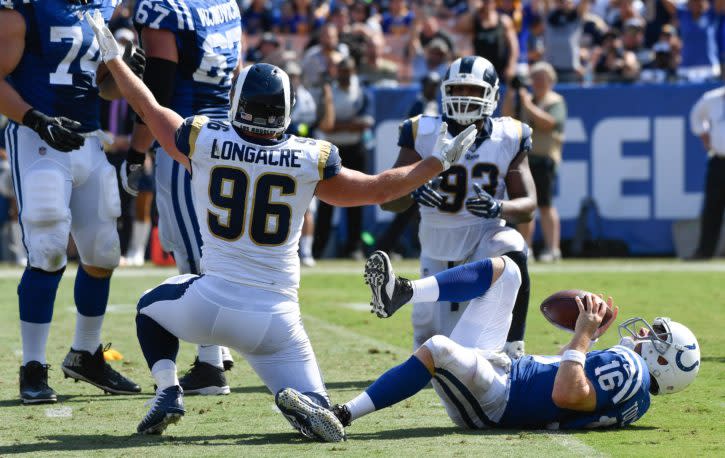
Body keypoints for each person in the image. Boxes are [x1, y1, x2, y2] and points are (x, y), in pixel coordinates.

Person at [85, 10, 478, 435]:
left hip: (210, 303)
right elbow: (381, 188)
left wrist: (115, 61)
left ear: (237, 102)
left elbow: (148, 105)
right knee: (323, 413)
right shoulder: (311, 159)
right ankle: (309, 406)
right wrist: (437, 161)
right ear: (287, 109)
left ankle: (168, 388)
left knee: (149, 308)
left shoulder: (204, 139)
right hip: (278, 321)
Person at [277, 250, 701, 441]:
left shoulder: (632, 369)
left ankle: (339, 417)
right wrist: (585, 343)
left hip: (501, 400)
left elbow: (567, 393)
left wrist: (584, 336)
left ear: (663, 361)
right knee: (508, 272)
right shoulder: (633, 388)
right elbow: (578, 392)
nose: (646, 333)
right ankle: (402, 291)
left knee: (438, 347)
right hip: (506, 374)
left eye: (657, 336)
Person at [0, 0, 145, 404]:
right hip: (37, 140)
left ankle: (86, 353)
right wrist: (34, 119)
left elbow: (104, 87)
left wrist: (127, 66)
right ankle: (32, 365)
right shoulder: (23, 7)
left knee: (103, 252)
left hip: (89, 139)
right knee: (47, 247)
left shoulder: (97, 7)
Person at [381, 56, 536, 359]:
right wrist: (412, 190)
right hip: (436, 248)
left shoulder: (510, 136)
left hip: (483, 240)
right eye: (457, 88)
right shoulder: (420, 131)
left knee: (512, 243)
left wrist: (498, 207)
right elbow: (388, 202)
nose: (464, 97)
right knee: (436, 348)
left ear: (492, 94)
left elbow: (528, 205)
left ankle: (514, 347)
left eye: (473, 90)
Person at [127, 0, 242, 396]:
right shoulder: (226, 5)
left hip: (184, 140)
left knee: (193, 253)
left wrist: (135, 149)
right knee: (206, 245)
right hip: (226, 138)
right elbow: (235, 78)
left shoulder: (164, 9)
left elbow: (157, 94)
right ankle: (216, 347)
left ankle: (210, 364)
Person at [503, 62, 566, 262]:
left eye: (541, 78)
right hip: (525, 160)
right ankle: (525, 247)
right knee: (525, 206)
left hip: (545, 158)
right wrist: (511, 95)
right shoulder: (525, 98)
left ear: (550, 81)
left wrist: (528, 105)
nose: (536, 82)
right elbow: (505, 119)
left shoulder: (555, 101)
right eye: (534, 78)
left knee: (546, 205)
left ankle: (552, 248)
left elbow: (549, 123)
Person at [313, 57, 374, 259]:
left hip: (355, 148)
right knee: (325, 201)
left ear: (353, 70)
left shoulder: (361, 90)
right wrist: (348, 125)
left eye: (348, 70)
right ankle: (318, 248)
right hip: (332, 150)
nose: (345, 74)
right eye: (341, 70)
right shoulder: (329, 92)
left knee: (357, 198)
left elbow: (366, 121)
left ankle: (354, 247)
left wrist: (338, 125)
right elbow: (324, 123)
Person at [687, 85, 725, 259]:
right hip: (719, 159)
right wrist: (704, 136)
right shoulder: (712, 98)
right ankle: (705, 251)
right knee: (712, 207)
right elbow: (696, 116)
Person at [455, 0, 519, 83]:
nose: (488, 3)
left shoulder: (504, 21)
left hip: (500, 70)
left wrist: (511, 66)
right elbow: (458, 27)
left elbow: (513, 46)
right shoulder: (474, 20)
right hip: (480, 70)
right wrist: (474, 10)